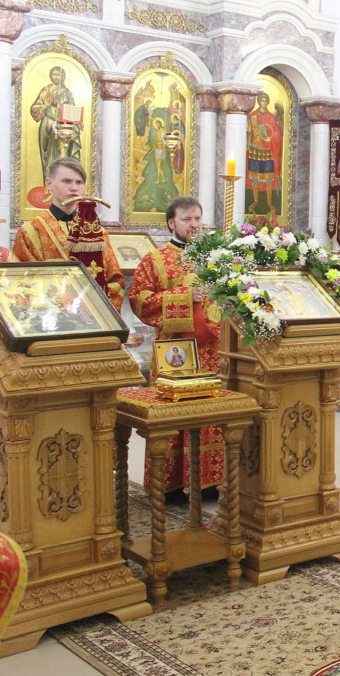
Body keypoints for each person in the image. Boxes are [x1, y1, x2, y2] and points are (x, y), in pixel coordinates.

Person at [130, 196, 225, 503]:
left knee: (210, 413)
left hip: (211, 351)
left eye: (198, 218)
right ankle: (169, 487)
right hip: (175, 352)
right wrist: (184, 294)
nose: (194, 224)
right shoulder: (155, 260)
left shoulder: (215, 258)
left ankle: (210, 483)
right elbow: (140, 301)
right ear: (172, 223)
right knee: (174, 414)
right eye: (187, 219)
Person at [12, 157, 124, 307]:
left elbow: (114, 279)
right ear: (49, 183)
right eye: (66, 181)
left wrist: (94, 307)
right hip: (50, 316)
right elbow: (23, 281)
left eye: (79, 182)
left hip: (93, 316)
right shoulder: (31, 231)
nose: (74, 188)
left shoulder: (97, 231)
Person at [29, 65, 75, 179]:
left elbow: (72, 111)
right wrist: (46, 105)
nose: (56, 77)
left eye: (58, 74)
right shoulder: (46, 90)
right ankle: (48, 182)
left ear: (63, 76)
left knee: (62, 154)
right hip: (48, 123)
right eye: (54, 74)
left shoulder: (67, 92)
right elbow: (35, 108)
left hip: (62, 126)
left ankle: (62, 180)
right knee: (47, 153)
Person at [247, 93, 283, 215]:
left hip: (267, 151)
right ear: (258, 102)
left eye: (265, 100)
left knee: (268, 178)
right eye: (261, 100)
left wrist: (270, 139)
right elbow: (249, 132)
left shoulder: (271, 117)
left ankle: (269, 202)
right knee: (255, 177)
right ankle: (256, 201)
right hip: (255, 150)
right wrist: (248, 131)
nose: (263, 103)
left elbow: (277, 133)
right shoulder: (253, 116)